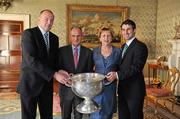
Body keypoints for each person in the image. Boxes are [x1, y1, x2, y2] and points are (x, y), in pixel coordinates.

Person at [17, 9, 68, 119]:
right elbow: (31, 60)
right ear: (39, 19)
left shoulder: (54, 38)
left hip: (46, 84)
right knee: (28, 116)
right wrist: (54, 74)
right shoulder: (29, 34)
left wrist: (60, 70)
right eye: (46, 19)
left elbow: (53, 61)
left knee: (47, 116)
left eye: (52, 20)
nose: (49, 22)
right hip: (30, 83)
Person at [107, 19, 148, 119]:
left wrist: (116, 75)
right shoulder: (123, 46)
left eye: (128, 29)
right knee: (123, 116)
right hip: (122, 89)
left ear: (134, 30)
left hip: (135, 90)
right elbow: (120, 66)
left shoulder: (140, 46)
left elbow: (136, 68)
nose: (125, 32)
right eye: (123, 29)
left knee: (135, 116)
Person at [58, 26, 94, 119]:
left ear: (82, 36)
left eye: (78, 36)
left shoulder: (88, 52)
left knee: (78, 116)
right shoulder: (61, 51)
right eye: (73, 36)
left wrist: (79, 78)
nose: (76, 38)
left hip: (80, 90)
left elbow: (89, 72)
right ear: (70, 37)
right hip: (66, 90)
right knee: (65, 116)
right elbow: (57, 68)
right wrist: (65, 74)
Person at [90, 27, 121, 119]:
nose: (106, 38)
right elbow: (89, 68)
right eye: (103, 36)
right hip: (96, 86)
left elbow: (121, 69)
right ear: (100, 38)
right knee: (95, 111)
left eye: (108, 36)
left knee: (108, 111)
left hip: (110, 86)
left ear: (112, 37)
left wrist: (115, 74)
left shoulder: (118, 52)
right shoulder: (94, 51)